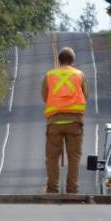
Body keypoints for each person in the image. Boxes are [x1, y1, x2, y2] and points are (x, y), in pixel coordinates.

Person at [42, 46, 88, 194]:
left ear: (59, 60)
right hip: (75, 122)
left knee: (52, 157)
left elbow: (45, 95)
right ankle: (72, 189)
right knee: (74, 157)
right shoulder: (79, 75)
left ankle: (52, 188)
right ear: (73, 60)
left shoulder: (49, 75)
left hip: (54, 122)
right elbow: (85, 95)